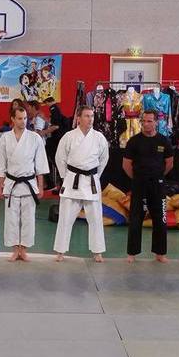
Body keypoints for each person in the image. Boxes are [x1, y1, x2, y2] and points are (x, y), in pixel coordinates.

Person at [53, 105, 109, 263]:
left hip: (91, 181)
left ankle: (97, 251)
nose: (90, 119)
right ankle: (60, 251)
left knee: (96, 218)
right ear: (78, 118)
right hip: (73, 180)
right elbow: (60, 158)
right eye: (87, 116)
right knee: (65, 217)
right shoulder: (69, 136)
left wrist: (95, 175)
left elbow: (104, 159)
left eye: (92, 116)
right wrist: (66, 177)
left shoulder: (99, 138)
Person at [0, 106, 49, 262]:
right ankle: (14, 250)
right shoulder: (5, 138)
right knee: (11, 219)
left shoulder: (35, 138)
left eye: (25, 118)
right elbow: (0, 163)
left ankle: (23, 249)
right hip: (11, 183)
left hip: (29, 183)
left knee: (28, 219)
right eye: (19, 118)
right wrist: (0, 186)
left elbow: (40, 165)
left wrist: (40, 186)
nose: (23, 121)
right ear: (12, 119)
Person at [123, 110, 174, 264]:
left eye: (150, 121)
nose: (146, 124)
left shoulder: (164, 141)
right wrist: (138, 178)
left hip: (158, 185)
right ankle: (132, 253)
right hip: (139, 184)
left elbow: (169, 163)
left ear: (156, 122)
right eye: (144, 121)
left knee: (160, 220)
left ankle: (160, 253)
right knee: (135, 219)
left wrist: (158, 176)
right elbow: (126, 165)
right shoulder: (134, 141)